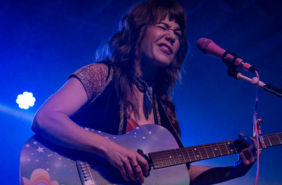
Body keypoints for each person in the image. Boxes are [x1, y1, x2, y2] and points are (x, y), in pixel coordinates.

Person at [31, 0, 258, 184]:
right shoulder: (101, 75)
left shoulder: (165, 108)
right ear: (138, 32)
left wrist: (234, 172)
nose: (172, 36)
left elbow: (176, 174)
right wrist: (110, 149)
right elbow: (45, 118)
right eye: (163, 27)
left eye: (178, 34)